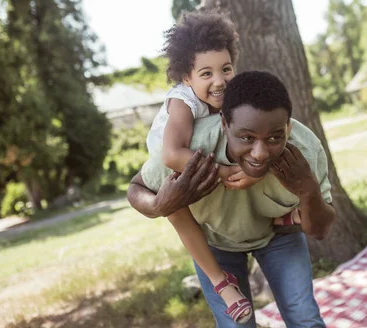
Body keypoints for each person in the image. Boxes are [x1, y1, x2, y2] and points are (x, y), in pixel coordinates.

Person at [128, 71, 335, 327]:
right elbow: (136, 187)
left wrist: (308, 190)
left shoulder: (305, 151)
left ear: (288, 128)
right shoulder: (192, 147)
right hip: (216, 242)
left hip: (279, 236)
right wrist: (159, 205)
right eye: (247, 138)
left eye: (274, 138)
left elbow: (320, 230)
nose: (259, 153)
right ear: (224, 124)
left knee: (304, 316)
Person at [147, 11, 261, 323]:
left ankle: (280, 207)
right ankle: (221, 282)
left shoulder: (227, 94)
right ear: (187, 77)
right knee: (178, 213)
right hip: (170, 168)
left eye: (226, 69)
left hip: (200, 157)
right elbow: (171, 154)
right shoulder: (183, 103)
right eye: (206, 74)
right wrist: (221, 173)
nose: (220, 81)